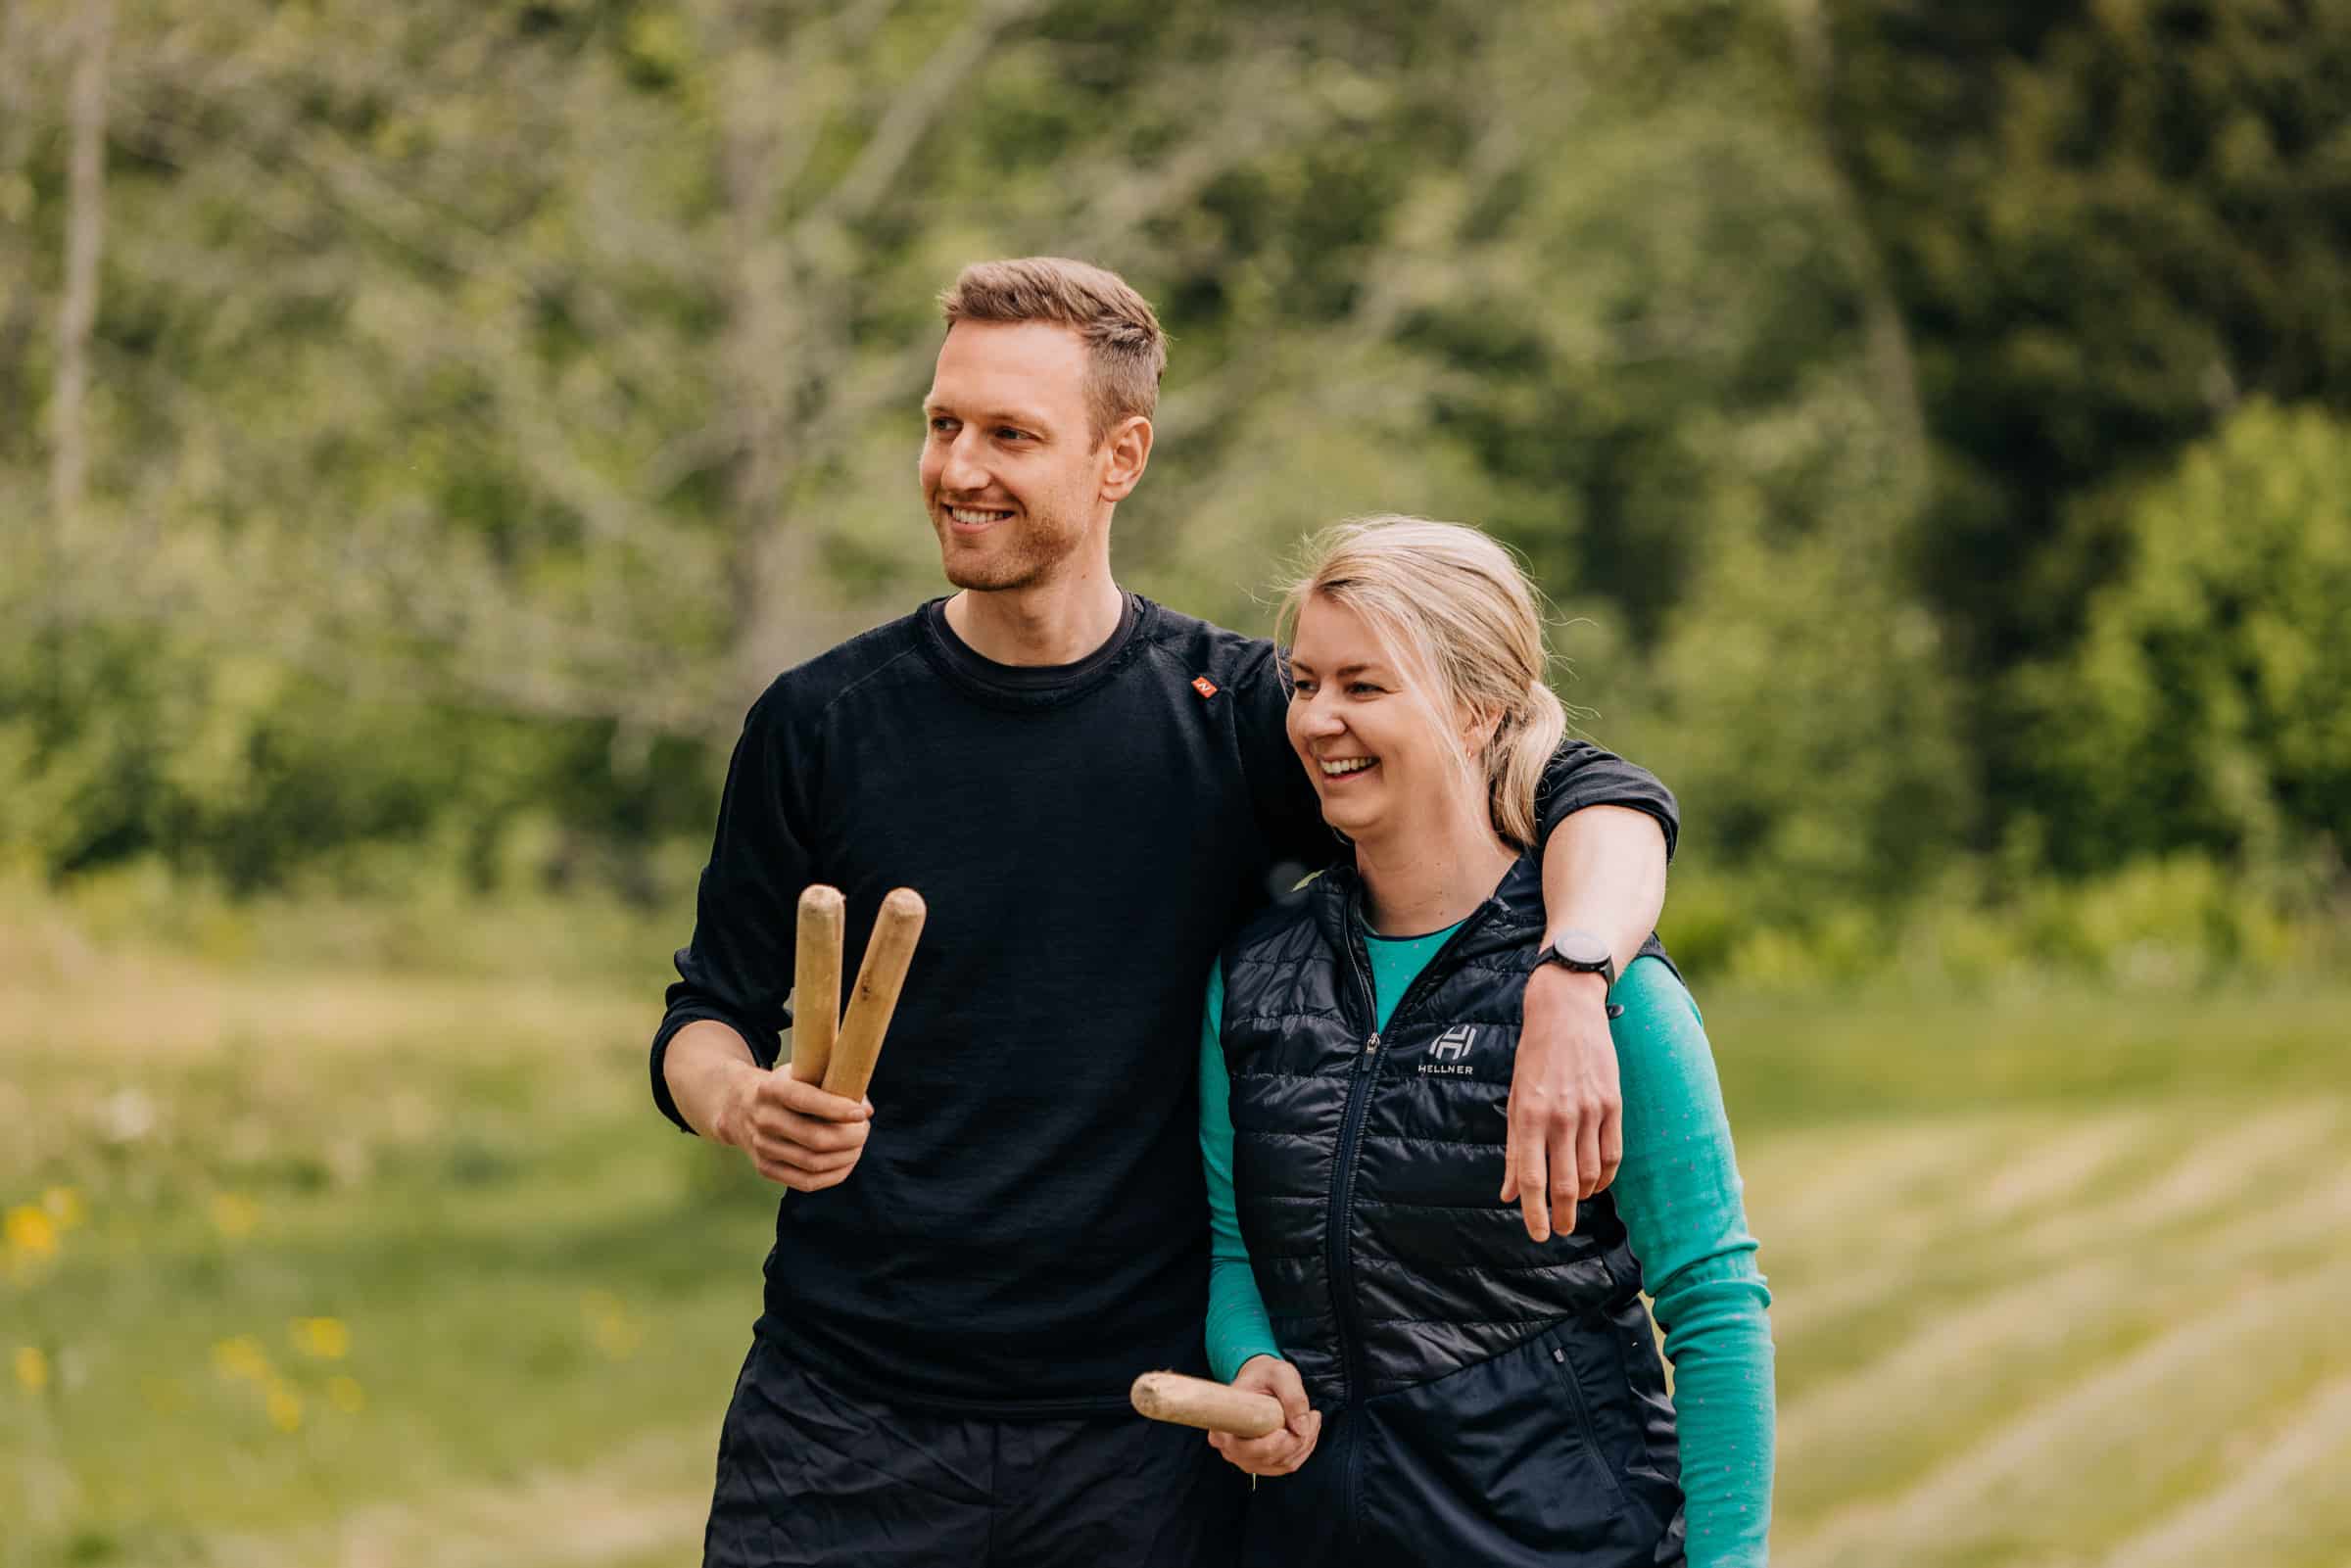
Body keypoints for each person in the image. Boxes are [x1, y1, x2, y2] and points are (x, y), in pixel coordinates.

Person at [649, 258, 1681, 1567]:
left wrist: (1575, 974)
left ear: (1119, 457)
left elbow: (1597, 791)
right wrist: (741, 1101)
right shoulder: (820, 724)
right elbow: (702, 1016)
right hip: (841, 1417)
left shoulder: (1246, 717)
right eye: (942, 422)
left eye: (1010, 434)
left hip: (1140, 1440)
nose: (959, 467)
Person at [1195, 517, 1774, 1567]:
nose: (1318, 719)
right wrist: (1250, 1361)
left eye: (1364, 685)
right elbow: (1239, 1249)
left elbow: (1713, 1307)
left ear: (1478, 709)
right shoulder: (1253, 977)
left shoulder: (1611, 996)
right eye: (1305, 682)